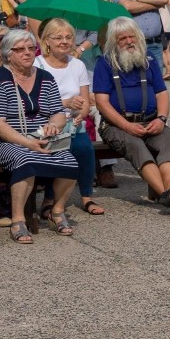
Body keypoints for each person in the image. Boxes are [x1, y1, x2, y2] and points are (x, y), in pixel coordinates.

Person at [0, 30, 79, 244]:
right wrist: (28, 142)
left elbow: (57, 113)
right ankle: (18, 219)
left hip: (42, 137)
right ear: (8, 54)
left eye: (30, 48)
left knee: (70, 161)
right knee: (25, 159)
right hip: (7, 141)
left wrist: (54, 125)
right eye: (20, 49)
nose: (27, 53)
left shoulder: (45, 77)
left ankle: (57, 211)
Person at [93, 17, 170, 214]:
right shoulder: (104, 64)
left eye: (132, 36)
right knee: (136, 145)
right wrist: (126, 126)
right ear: (114, 42)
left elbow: (162, 93)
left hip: (151, 120)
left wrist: (161, 118)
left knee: (168, 140)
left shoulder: (148, 61)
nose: (129, 41)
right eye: (123, 38)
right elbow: (102, 103)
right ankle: (169, 195)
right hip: (116, 125)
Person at [34, 18, 103, 216]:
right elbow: (36, 102)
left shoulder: (78, 65)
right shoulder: (38, 65)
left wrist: (80, 115)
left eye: (68, 37)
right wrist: (65, 104)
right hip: (47, 123)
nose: (64, 41)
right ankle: (49, 199)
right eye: (58, 37)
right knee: (60, 148)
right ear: (46, 40)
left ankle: (87, 196)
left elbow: (85, 101)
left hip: (73, 122)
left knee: (84, 147)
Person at [59, 0, 100, 71]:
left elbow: (94, 33)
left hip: (84, 53)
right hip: (60, 52)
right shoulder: (57, 8)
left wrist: (80, 50)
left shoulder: (87, 7)